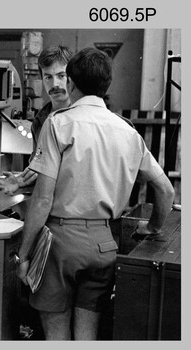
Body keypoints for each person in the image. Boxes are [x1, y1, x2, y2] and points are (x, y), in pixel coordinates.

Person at [13, 47, 175, 340]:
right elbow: (165, 189)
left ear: (72, 83)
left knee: (57, 337)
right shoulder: (128, 132)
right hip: (104, 245)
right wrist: (152, 227)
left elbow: (44, 198)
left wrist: (23, 255)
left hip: (60, 245)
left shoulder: (58, 123)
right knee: (87, 337)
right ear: (106, 85)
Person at [0, 45, 73, 195]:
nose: (55, 84)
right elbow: (38, 172)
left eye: (61, 76)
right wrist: (21, 182)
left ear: (72, 77)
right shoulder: (41, 120)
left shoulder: (80, 119)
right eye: (48, 77)